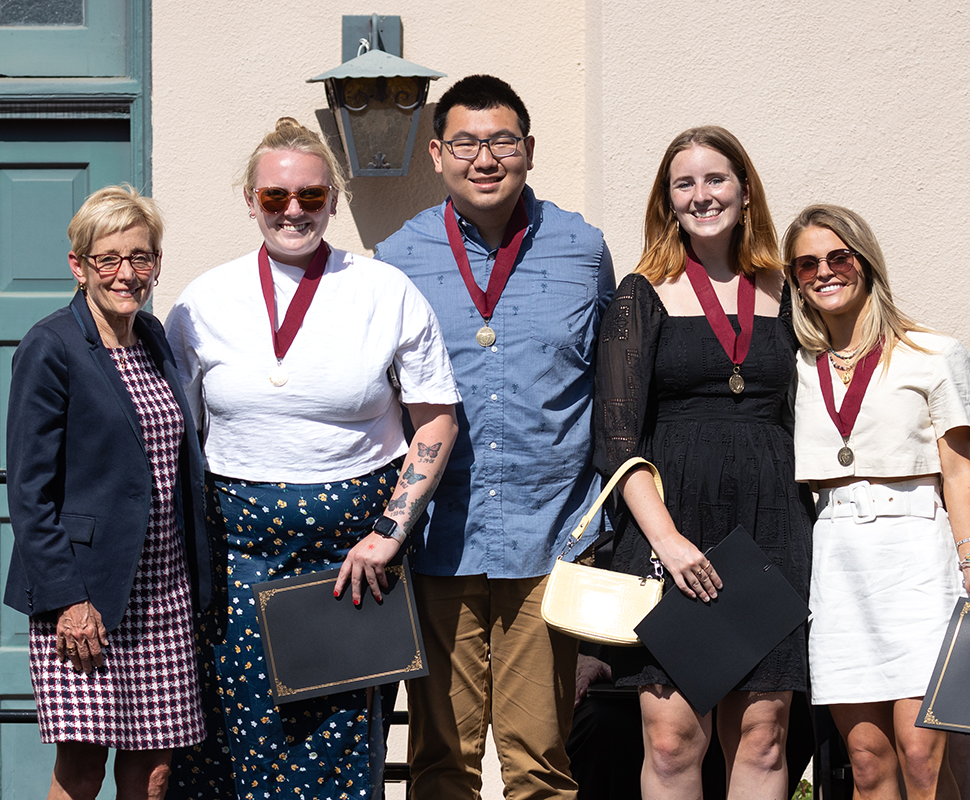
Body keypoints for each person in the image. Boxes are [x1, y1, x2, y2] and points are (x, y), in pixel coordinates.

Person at [164, 117, 460, 800]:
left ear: (331, 199)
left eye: (310, 196)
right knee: (235, 737)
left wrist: (389, 533)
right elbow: (176, 429)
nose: (293, 211)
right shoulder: (203, 300)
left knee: (340, 742)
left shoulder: (384, 290)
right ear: (249, 199)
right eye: (275, 197)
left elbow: (435, 417)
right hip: (237, 556)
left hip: (352, 559)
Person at [375, 74, 615, 800]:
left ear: (530, 151)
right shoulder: (397, 259)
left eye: (503, 141)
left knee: (540, 761)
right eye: (468, 143)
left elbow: (611, 387)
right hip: (438, 539)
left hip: (552, 540)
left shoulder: (582, 248)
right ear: (439, 153)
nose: (487, 158)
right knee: (440, 762)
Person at [592, 126, 813, 799]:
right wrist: (668, 541)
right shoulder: (642, 292)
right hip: (672, 533)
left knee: (763, 735)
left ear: (745, 191)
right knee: (670, 739)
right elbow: (617, 441)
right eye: (684, 183)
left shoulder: (788, 287)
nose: (701, 195)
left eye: (716, 179)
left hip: (772, 529)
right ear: (668, 200)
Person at [783, 204, 970, 800]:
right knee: (868, 762)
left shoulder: (935, 353)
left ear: (866, 261)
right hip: (837, 556)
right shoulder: (797, 366)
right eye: (806, 264)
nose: (824, 272)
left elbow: (959, 468)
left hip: (917, 554)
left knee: (922, 755)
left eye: (838, 257)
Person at [4, 185, 212, 800]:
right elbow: (30, 491)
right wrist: (69, 599)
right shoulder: (51, 346)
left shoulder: (151, 336)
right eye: (109, 259)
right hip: (87, 592)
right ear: (80, 265)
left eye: (141, 257)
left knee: (154, 771)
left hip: (164, 591)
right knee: (83, 766)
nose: (127, 273)